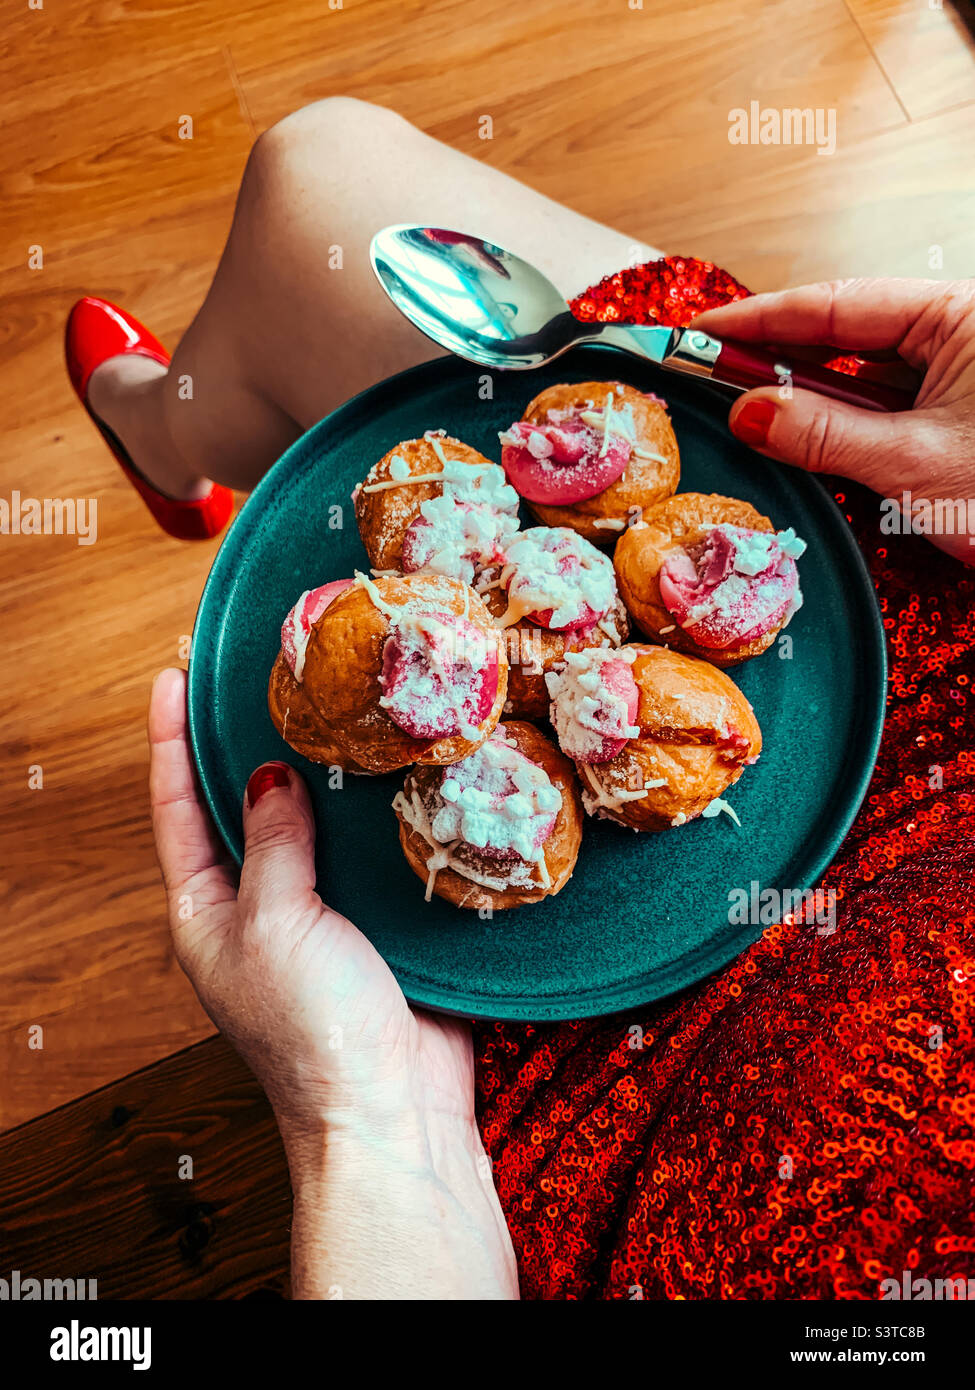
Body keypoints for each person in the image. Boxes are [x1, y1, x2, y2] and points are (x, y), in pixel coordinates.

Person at [69, 99, 975, 1299]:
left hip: (618, 1106)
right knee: (314, 162)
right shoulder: (556, 569)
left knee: (317, 163)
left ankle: (153, 427)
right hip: (928, 628)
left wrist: (372, 1137)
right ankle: (164, 438)